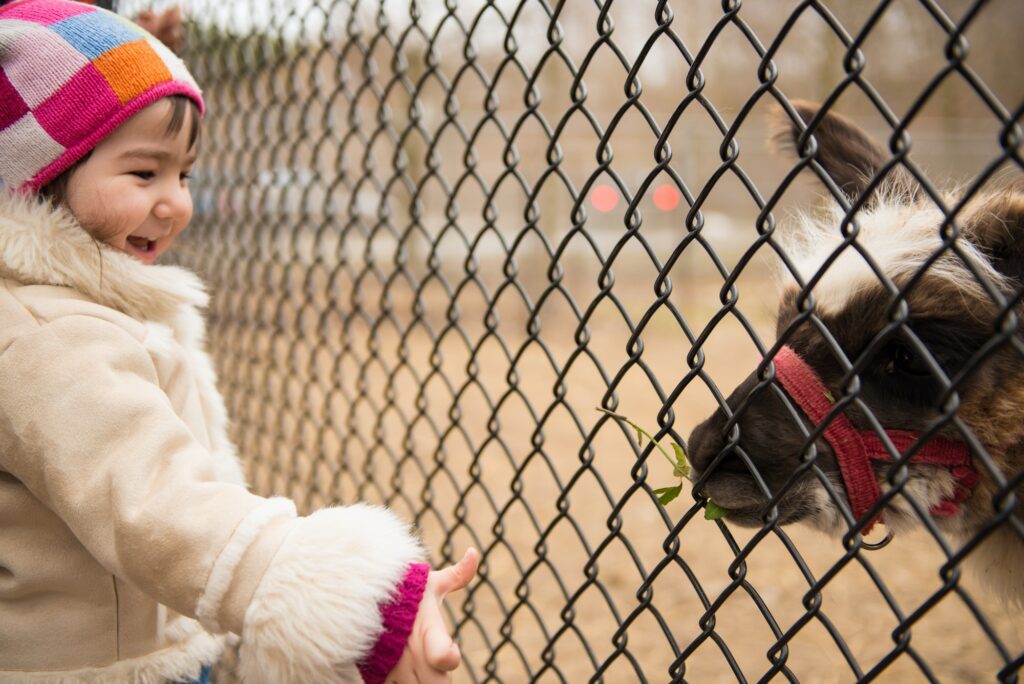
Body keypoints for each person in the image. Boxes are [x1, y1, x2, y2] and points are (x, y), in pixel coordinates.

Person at [0, 1, 478, 682]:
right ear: (37, 173)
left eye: (184, 174)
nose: (177, 203)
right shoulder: (49, 336)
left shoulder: (56, 306)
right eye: (145, 173)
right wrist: (349, 595)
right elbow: (152, 498)